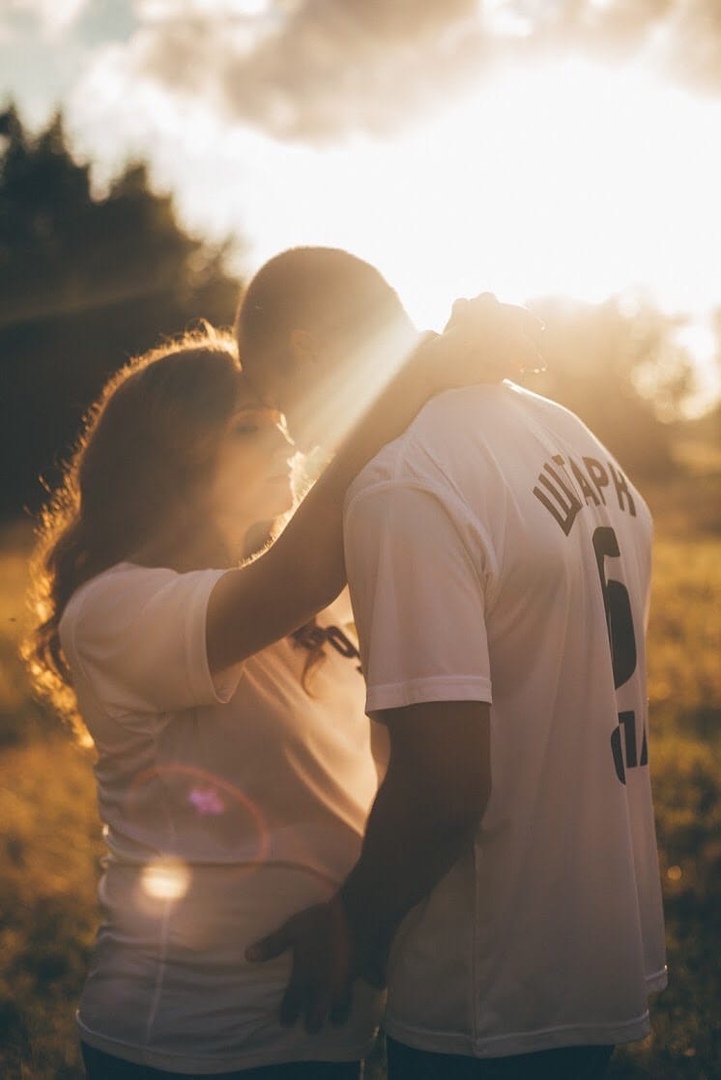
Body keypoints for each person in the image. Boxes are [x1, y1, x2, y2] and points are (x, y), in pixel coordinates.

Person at [24, 304, 534, 1079]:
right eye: (249, 426)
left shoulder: (316, 596)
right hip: (184, 1040)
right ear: (168, 456)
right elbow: (298, 568)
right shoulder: (112, 610)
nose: (287, 439)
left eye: (280, 419)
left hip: (328, 1029)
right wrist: (422, 370)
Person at [237, 247, 668, 1080]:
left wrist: (351, 923)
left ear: (308, 351)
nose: (293, 440)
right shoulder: (578, 443)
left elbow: (446, 784)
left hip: (484, 976)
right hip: (596, 934)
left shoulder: (404, 484)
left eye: (279, 405)